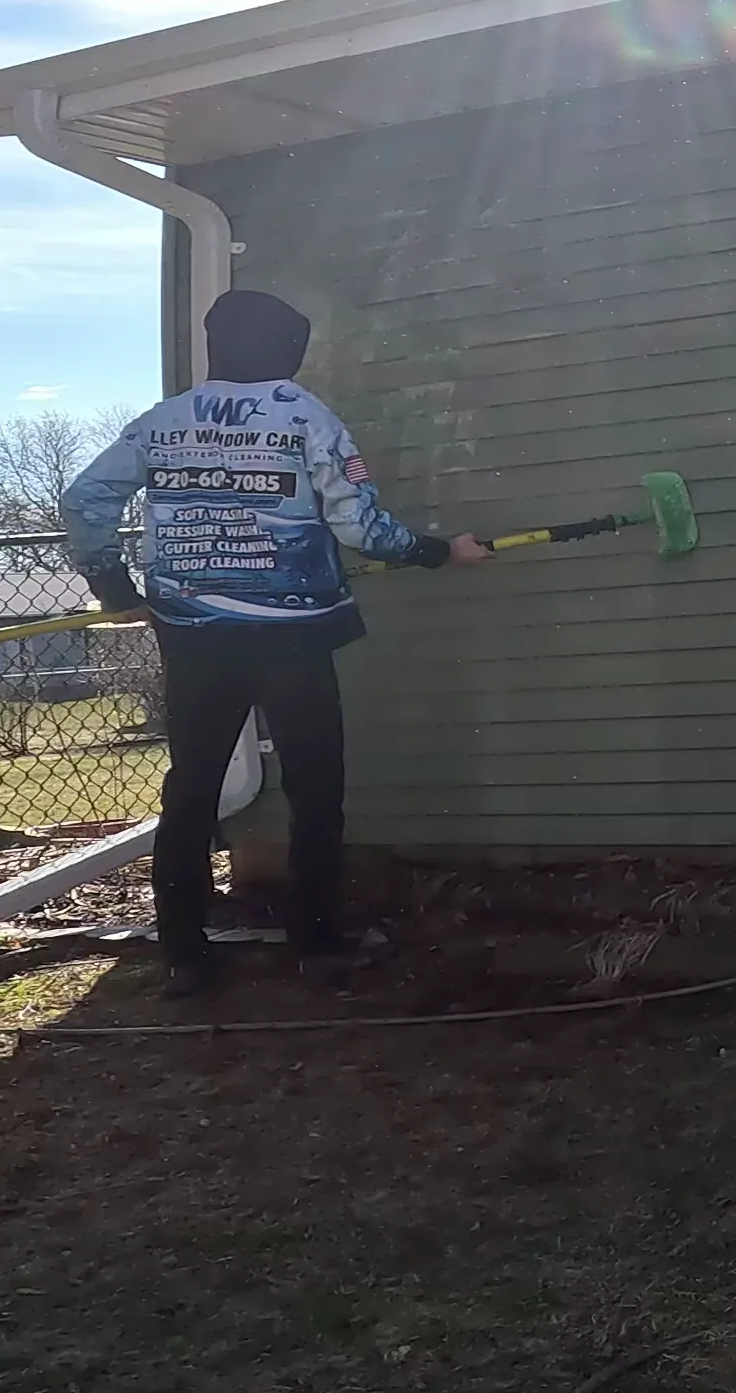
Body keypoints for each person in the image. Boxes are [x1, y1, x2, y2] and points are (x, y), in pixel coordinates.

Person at [64, 289, 487, 993]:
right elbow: (361, 528)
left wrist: (115, 589)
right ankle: (317, 946)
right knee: (316, 789)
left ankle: (184, 956)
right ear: (291, 349)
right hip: (292, 634)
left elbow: (84, 500)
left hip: (193, 631)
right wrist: (442, 551)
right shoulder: (304, 417)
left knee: (191, 790)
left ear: (214, 347)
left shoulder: (164, 421)